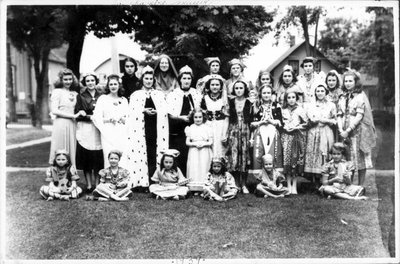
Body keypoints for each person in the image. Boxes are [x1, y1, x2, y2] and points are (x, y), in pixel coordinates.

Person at [127, 65, 169, 190]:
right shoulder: (136, 95)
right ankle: (142, 180)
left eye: (151, 79)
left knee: (153, 152)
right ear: (142, 80)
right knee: (143, 151)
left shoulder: (158, 94)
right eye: (146, 79)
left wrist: (158, 112)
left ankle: (154, 179)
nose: (149, 81)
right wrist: (143, 110)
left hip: (155, 127)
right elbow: (131, 112)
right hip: (141, 128)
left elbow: (164, 110)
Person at [337, 69, 376, 187]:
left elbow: (359, 115)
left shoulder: (360, 96)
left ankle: (361, 186)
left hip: (357, 131)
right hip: (344, 131)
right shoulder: (342, 97)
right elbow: (339, 114)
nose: (348, 83)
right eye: (346, 81)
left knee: (359, 158)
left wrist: (348, 129)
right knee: (348, 158)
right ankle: (349, 185)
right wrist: (341, 130)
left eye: (350, 81)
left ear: (355, 82)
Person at [167, 65, 202, 175]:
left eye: (189, 78)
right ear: (180, 79)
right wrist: (181, 118)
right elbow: (169, 114)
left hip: (192, 126)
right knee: (179, 152)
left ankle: (191, 176)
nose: (186, 81)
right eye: (184, 78)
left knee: (191, 153)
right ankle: (177, 175)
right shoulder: (173, 94)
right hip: (178, 127)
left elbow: (199, 110)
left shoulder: (196, 93)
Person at [249, 85, 283, 188]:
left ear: (272, 94)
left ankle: (275, 179)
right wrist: (262, 121)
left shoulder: (276, 106)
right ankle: (260, 180)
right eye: (264, 93)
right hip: (260, 131)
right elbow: (251, 123)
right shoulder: (255, 106)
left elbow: (280, 122)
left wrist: (272, 121)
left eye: (268, 93)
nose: (266, 95)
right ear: (260, 94)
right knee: (258, 154)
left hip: (272, 132)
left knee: (274, 155)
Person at [92, 74, 129, 169]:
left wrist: (124, 119)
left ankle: (122, 179)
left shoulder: (124, 100)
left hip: (121, 131)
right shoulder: (103, 99)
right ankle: (109, 179)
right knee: (109, 154)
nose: (113, 86)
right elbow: (96, 117)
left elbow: (129, 116)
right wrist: (108, 119)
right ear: (108, 86)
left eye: (115, 84)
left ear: (119, 85)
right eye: (111, 84)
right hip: (107, 131)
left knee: (122, 154)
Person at [75, 73, 104, 192]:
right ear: (85, 83)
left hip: (97, 129)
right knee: (87, 157)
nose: (90, 83)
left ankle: (96, 183)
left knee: (97, 157)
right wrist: (89, 117)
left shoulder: (101, 96)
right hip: (86, 128)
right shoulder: (80, 96)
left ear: (96, 81)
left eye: (92, 80)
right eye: (88, 81)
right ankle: (88, 184)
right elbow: (78, 114)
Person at [49, 69, 84, 166]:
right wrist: (73, 115)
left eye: (70, 79)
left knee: (71, 148)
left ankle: (71, 175)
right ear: (61, 80)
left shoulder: (75, 93)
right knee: (60, 146)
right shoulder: (57, 92)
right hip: (61, 123)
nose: (68, 82)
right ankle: (56, 175)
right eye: (65, 79)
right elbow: (54, 110)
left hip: (72, 124)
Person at [304, 84, 336, 187]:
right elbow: (307, 119)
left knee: (324, 154)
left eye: (322, 91)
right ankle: (315, 182)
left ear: (326, 92)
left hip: (326, 131)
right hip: (313, 131)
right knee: (314, 154)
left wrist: (325, 120)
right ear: (315, 93)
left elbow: (335, 120)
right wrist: (312, 120)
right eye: (318, 91)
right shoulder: (310, 105)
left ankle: (325, 180)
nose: (320, 93)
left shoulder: (331, 105)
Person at [226, 80, 252, 194]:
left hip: (246, 130)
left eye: (241, 88)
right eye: (236, 88)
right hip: (233, 130)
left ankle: (244, 184)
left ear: (245, 89)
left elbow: (251, 119)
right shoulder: (231, 102)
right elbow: (227, 118)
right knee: (235, 157)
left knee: (245, 157)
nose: (239, 90)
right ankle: (236, 183)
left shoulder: (249, 102)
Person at [281, 91, 308, 194]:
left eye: (293, 97)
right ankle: (288, 184)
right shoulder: (283, 110)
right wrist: (285, 128)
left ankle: (294, 184)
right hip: (286, 136)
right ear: (286, 99)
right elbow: (280, 122)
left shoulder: (300, 110)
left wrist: (297, 127)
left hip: (297, 136)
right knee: (286, 159)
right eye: (289, 97)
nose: (291, 99)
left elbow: (306, 123)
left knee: (296, 159)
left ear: (296, 98)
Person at [200, 75, 229, 157]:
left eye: (217, 85)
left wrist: (224, 133)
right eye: (212, 85)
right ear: (209, 86)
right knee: (209, 146)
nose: (215, 87)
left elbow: (227, 117)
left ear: (221, 86)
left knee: (220, 146)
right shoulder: (205, 98)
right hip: (208, 125)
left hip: (221, 125)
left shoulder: (224, 99)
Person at [185, 108, 213, 192]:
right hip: (194, 150)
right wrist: (194, 144)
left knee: (204, 166)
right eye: (195, 117)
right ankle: (194, 187)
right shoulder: (190, 128)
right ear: (192, 118)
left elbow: (211, 142)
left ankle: (204, 187)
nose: (198, 119)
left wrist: (204, 144)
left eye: (200, 117)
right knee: (194, 166)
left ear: (203, 117)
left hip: (204, 150)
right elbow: (187, 142)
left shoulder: (207, 128)